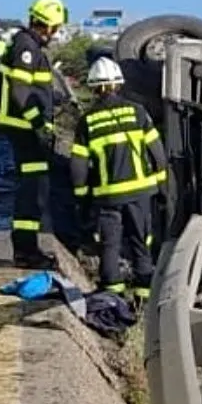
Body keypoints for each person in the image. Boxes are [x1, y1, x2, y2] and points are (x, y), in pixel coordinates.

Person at [70, 57, 167, 302]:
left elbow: (78, 166)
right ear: (119, 84)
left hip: (107, 196)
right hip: (140, 193)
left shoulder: (88, 122)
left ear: (93, 88)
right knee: (140, 242)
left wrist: (81, 198)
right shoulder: (138, 112)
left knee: (110, 246)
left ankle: (112, 300)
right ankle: (144, 299)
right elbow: (158, 153)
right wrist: (161, 187)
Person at [0, 0, 69, 269]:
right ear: (47, 26)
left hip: (25, 128)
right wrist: (38, 123)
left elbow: (34, 90)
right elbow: (20, 91)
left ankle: (28, 248)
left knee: (35, 188)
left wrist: (53, 101)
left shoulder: (28, 45)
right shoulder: (26, 47)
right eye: (56, 28)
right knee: (33, 191)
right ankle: (26, 251)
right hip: (24, 129)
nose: (56, 33)